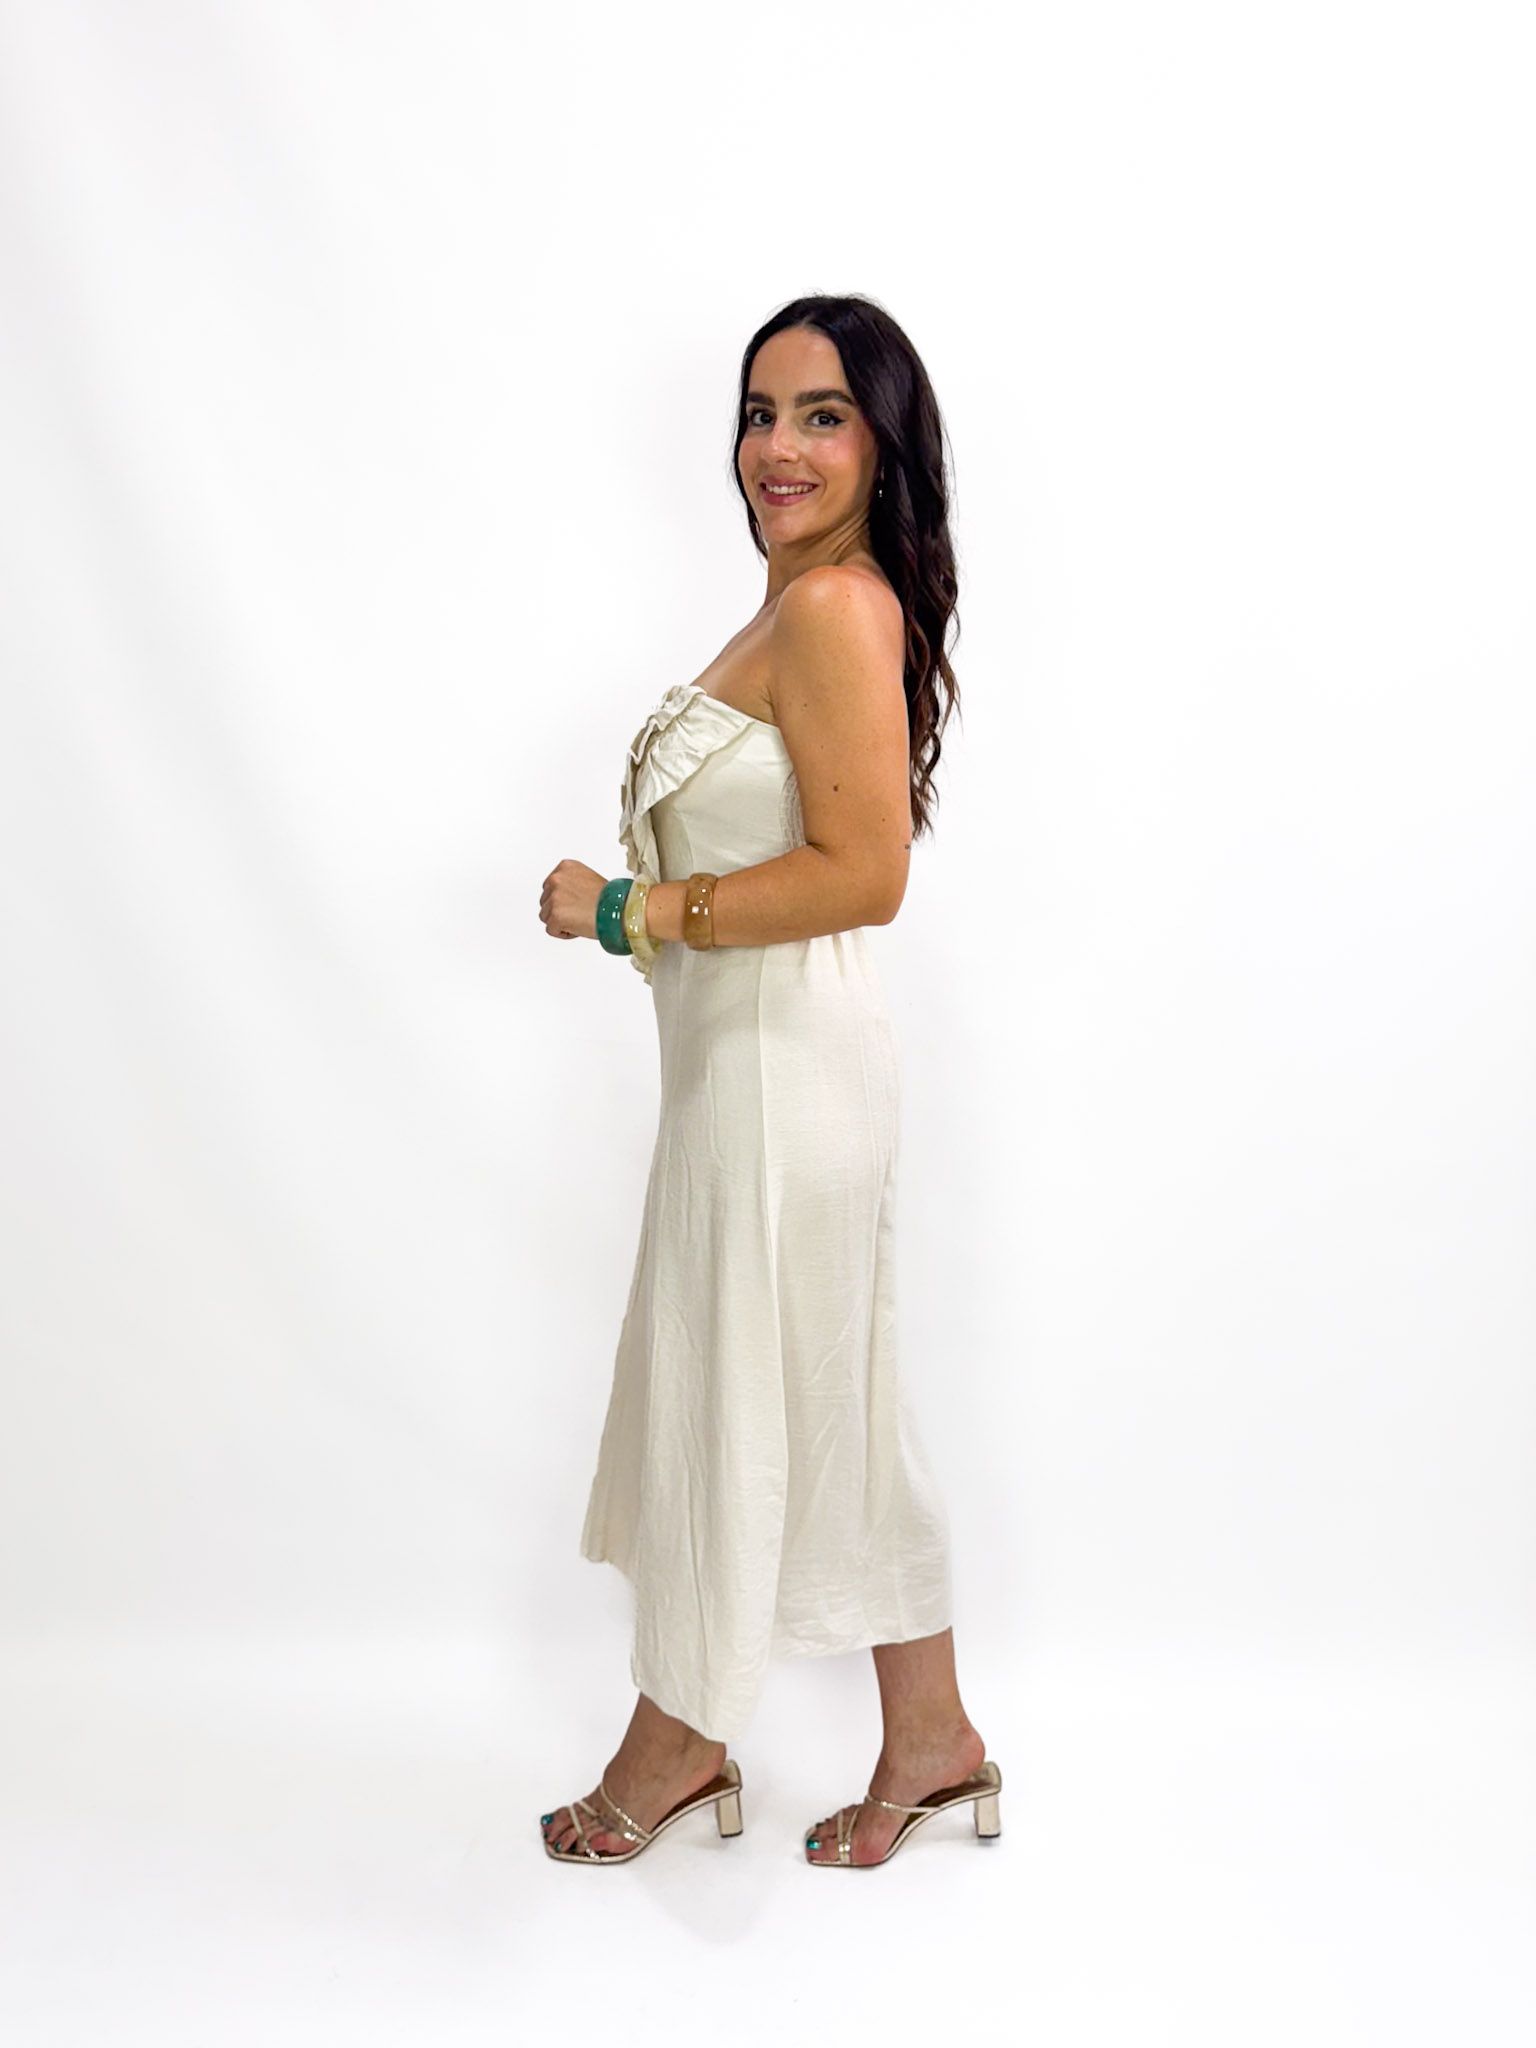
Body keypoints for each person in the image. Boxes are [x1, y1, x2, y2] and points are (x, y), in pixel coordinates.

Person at [536, 294, 1000, 1868]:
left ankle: (676, 1744)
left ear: (882, 445)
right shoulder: (795, 603)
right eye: (759, 411)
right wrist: (651, 917)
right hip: (748, 1063)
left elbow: (866, 873)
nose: (777, 447)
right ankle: (933, 1742)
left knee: (733, 1388)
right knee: (825, 1399)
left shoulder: (830, 610)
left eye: (821, 415)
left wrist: (631, 908)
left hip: (782, 1073)